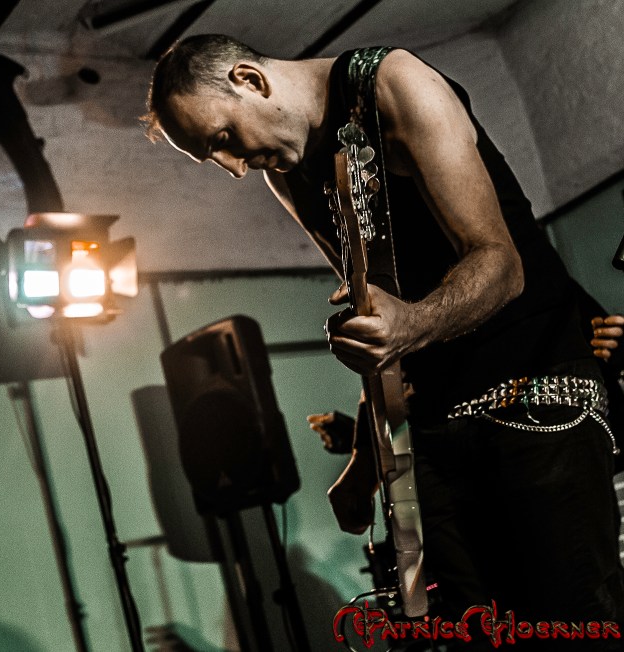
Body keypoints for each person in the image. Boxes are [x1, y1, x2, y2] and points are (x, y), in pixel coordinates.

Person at [143, 34, 624, 646]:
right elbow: (385, 326)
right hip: (436, 430)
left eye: (222, 138)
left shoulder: (393, 84)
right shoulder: (289, 174)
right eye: (212, 157)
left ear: (250, 80)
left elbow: (501, 265)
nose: (234, 167)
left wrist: (411, 325)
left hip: (536, 401)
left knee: (569, 628)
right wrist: (364, 465)